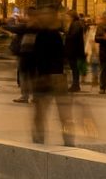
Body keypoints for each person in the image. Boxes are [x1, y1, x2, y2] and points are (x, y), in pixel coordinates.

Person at [22, 9, 75, 145]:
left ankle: (38, 140)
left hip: (44, 77)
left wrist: (31, 75)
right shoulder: (57, 35)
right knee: (64, 113)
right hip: (58, 76)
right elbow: (64, 54)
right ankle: (68, 140)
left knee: (40, 113)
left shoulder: (39, 34)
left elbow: (33, 56)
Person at [64, 10, 88, 92]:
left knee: (75, 68)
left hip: (74, 50)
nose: (66, 17)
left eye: (67, 16)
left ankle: (75, 85)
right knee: (74, 68)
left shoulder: (76, 24)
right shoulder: (75, 23)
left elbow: (73, 36)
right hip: (74, 49)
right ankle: (75, 85)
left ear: (71, 16)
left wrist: (65, 34)